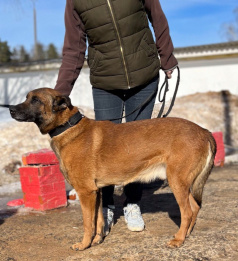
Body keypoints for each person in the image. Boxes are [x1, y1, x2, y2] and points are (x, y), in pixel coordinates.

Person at [55, 0, 178, 236]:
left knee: (137, 147)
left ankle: (132, 203)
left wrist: (167, 56)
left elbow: (157, 17)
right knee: (104, 150)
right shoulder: (76, 2)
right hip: (105, 82)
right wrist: (59, 95)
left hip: (144, 75)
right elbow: (73, 49)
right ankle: (107, 205)